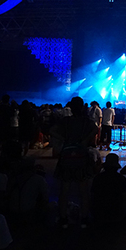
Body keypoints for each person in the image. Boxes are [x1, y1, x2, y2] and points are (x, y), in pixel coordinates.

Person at [51, 96, 98, 228]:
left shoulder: (65, 121)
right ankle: (84, 219)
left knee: (64, 189)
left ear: (71, 107)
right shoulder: (86, 121)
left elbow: (52, 130)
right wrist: (85, 140)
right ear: (82, 107)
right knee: (83, 189)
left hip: (66, 156)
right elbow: (95, 129)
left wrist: (64, 139)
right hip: (81, 156)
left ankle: (63, 218)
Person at [91, 153, 126, 223]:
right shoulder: (121, 178)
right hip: (116, 212)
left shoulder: (98, 178)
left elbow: (92, 195)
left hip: (100, 212)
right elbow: (125, 196)